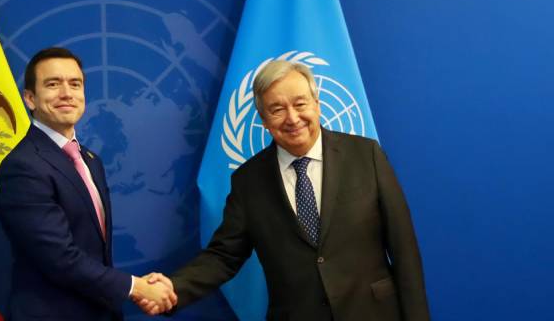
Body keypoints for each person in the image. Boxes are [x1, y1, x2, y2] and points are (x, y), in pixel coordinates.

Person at [143, 60, 429, 320]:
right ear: (264, 121)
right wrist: (174, 288)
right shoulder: (248, 181)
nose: (292, 118)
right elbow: (223, 256)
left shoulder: (366, 155)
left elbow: (404, 249)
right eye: (277, 109)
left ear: (317, 104)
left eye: (300, 104)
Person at [0, 47, 176, 320]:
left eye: (75, 84)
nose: (66, 93)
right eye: (53, 84)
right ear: (30, 98)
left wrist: (133, 289)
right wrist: (136, 287)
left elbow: (94, 253)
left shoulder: (91, 160)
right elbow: (60, 258)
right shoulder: (22, 168)